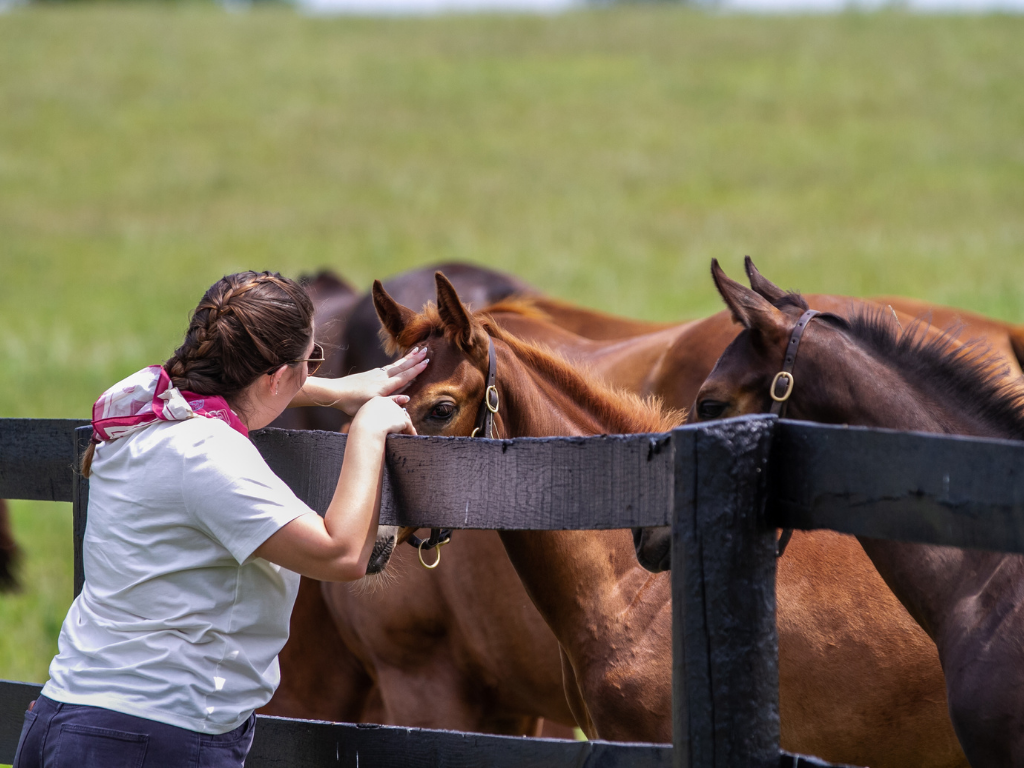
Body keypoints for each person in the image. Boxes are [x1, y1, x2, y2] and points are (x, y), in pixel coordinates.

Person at [12, 271, 428, 767]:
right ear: (274, 376)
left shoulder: (141, 405)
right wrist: (367, 430)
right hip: (153, 736)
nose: (311, 371)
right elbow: (341, 553)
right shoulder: (210, 457)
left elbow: (240, 386)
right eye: (308, 360)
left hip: (63, 718)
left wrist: (330, 389)